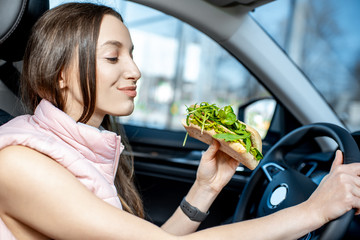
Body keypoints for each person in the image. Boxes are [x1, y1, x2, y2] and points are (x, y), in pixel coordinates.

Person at [0, 2, 359, 240]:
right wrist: (314, 210)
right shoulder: (18, 164)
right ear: (61, 74)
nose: (135, 71)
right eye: (113, 57)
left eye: (132, 55)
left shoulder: (77, 150)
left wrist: (206, 188)